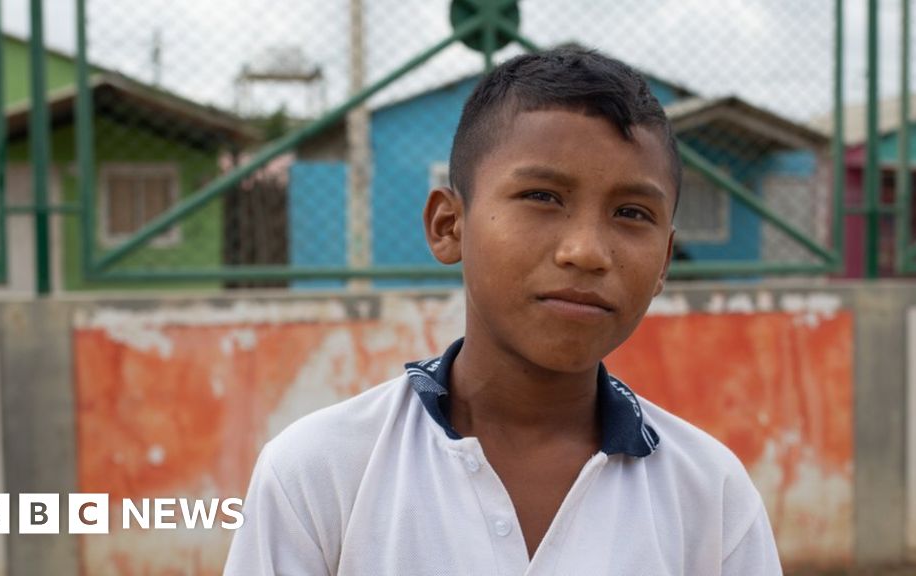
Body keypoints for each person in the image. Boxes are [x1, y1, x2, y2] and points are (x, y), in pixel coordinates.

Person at [224, 47, 782, 575]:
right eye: (542, 197)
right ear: (449, 226)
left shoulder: (712, 497)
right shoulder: (320, 472)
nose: (586, 251)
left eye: (632, 212)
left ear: (664, 260)